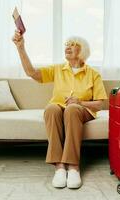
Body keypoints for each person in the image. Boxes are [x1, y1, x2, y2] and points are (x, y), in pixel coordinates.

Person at [12, 30, 107, 189]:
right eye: (66, 45)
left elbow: (100, 104)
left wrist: (80, 102)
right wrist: (20, 47)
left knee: (72, 110)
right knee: (51, 109)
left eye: (73, 45)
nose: (67, 47)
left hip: (81, 111)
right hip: (59, 108)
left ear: (82, 50)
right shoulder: (58, 69)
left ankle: (73, 166)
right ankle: (60, 166)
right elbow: (31, 72)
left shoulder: (93, 74)